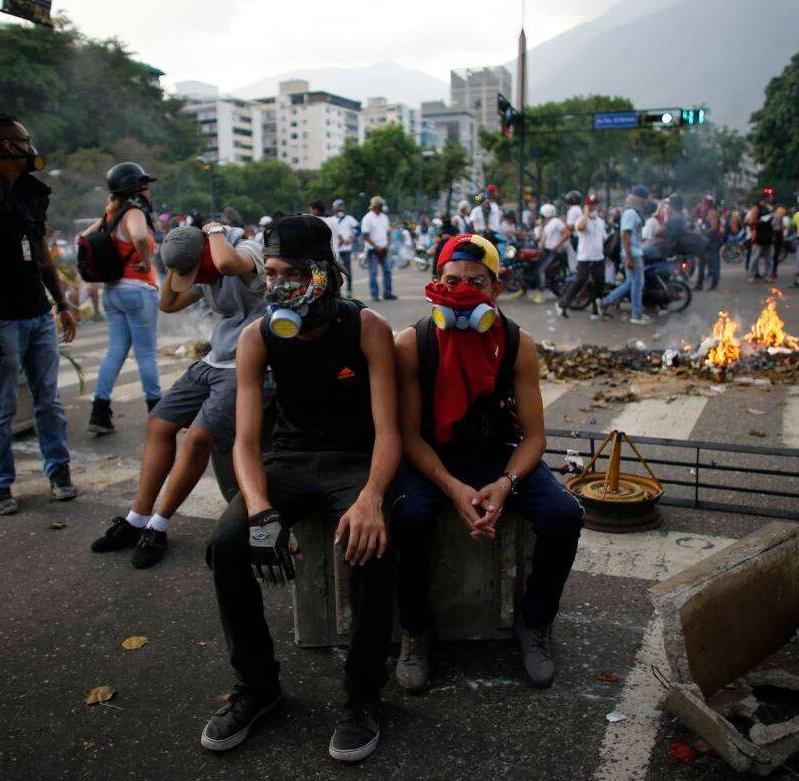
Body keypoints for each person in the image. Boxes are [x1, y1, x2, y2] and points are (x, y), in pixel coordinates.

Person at [200, 215, 399, 763]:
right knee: (226, 544)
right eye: (271, 272)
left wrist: (372, 498)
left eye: (291, 272)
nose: (278, 285)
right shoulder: (257, 335)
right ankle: (258, 686)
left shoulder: (367, 329)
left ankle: (363, 696)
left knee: (373, 549)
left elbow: (390, 432)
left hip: (355, 462)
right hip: (288, 461)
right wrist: (262, 513)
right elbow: (243, 442)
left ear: (324, 274)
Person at [391, 233, 583, 693]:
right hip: (433, 458)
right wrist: (452, 488)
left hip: (497, 455)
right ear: (434, 283)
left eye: (475, 282)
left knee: (564, 515)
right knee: (405, 515)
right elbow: (408, 436)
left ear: (496, 290)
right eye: (451, 280)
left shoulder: (518, 344)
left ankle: (534, 623)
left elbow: (534, 437)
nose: (461, 291)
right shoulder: (413, 343)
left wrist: (506, 482)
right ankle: (415, 631)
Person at [89, 220, 267, 569]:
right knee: (158, 423)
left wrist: (214, 231)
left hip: (249, 365)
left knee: (198, 437)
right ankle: (136, 518)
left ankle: (159, 524)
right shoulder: (204, 271)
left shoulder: (245, 252)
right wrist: (177, 261)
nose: (195, 281)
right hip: (216, 360)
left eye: (194, 271)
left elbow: (229, 265)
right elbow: (168, 303)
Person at [0, 114, 77, 515]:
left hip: (37, 313)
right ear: (5, 147)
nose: (30, 146)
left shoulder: (28, 191)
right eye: (24, 140)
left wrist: (61, 304)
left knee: (49, 402)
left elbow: (41, 254)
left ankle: (59, 474)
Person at [84, 162, 162, 432]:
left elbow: (84, 238)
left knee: (115, 351)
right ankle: (157, 412)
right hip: (138, 288)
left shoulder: (110, 215)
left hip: (113, 291)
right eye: (145, 185)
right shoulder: (133, 212)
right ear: (136, 188)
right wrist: (143, 260)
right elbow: (140, 236)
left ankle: (100, 412)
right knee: (146, 354)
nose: (148, 190)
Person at [598, 185, 652, 325]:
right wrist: (629, 257)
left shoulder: (633, 213)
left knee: (631, 283)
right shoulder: (631, 214)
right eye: (644, 199)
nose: (646, 202)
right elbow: (625, 236)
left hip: (633, 253)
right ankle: (636, 314)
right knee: (637, 284)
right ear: (639, 199)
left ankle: (605, 302)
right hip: (633, 254)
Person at [559, 195, 606, 319]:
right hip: (584, 257)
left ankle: (596, 311)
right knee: (580, 281)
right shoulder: (581, 219)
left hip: (598, 258)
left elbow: (603, 238)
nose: (593, 207)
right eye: (591, 205)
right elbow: (579, 227)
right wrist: (586, 214)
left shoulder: (601, 221)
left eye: (595, 204)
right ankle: (563, 304)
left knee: (599, 284)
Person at [361, 195, 394, 301]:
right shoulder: (367, 218)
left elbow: (388, 233)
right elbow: (365, 236)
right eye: (381, 205)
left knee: (387, 271)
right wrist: (376, 246)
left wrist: (388, 245)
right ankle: (374, 294)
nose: (382, 207)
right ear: (376, 206)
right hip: (373, 250)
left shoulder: (384, 217)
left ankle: (387, 293)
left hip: (384, 249)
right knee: (373, 272)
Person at [533, 203, 568, 304]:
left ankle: (541, 294)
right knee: (538, 269)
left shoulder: (557, 222)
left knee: (541, 270)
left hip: (555, 252)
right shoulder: (547, 224)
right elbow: (544, 238)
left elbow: (566, 234)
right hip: (547, 251)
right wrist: (540, 248)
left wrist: (556, 246)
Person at [746, 188, 775, 283]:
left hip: (768, 235)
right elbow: (750, 221)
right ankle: (751, 275)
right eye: (770, 196)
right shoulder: (756, 207)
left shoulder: (769, 207)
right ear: (766, 198)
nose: (772, 198)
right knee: (755, 257)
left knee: (769, 258)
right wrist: (761, 220)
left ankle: (768, 275)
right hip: (759, 235)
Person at [331, 198, 358, 296]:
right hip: (336, 250)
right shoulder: (332, 220)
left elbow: (357, 229)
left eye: (340, 207)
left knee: (347, 271)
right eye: (337, 208)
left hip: (346, 249)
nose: (339, 210)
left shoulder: (349, 219)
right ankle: (337, 292)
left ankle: (349, 291)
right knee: (335, 272)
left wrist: (351, 238)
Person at [693, 194, 721, 291]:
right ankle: (699, 284)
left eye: (704, 202)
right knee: (701, 264)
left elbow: (714, 227)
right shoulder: (704, 212)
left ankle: (714, 284)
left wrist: (704, 232)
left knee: (712, 264)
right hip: (704, 242)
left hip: (710, 242)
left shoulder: (712, 212)